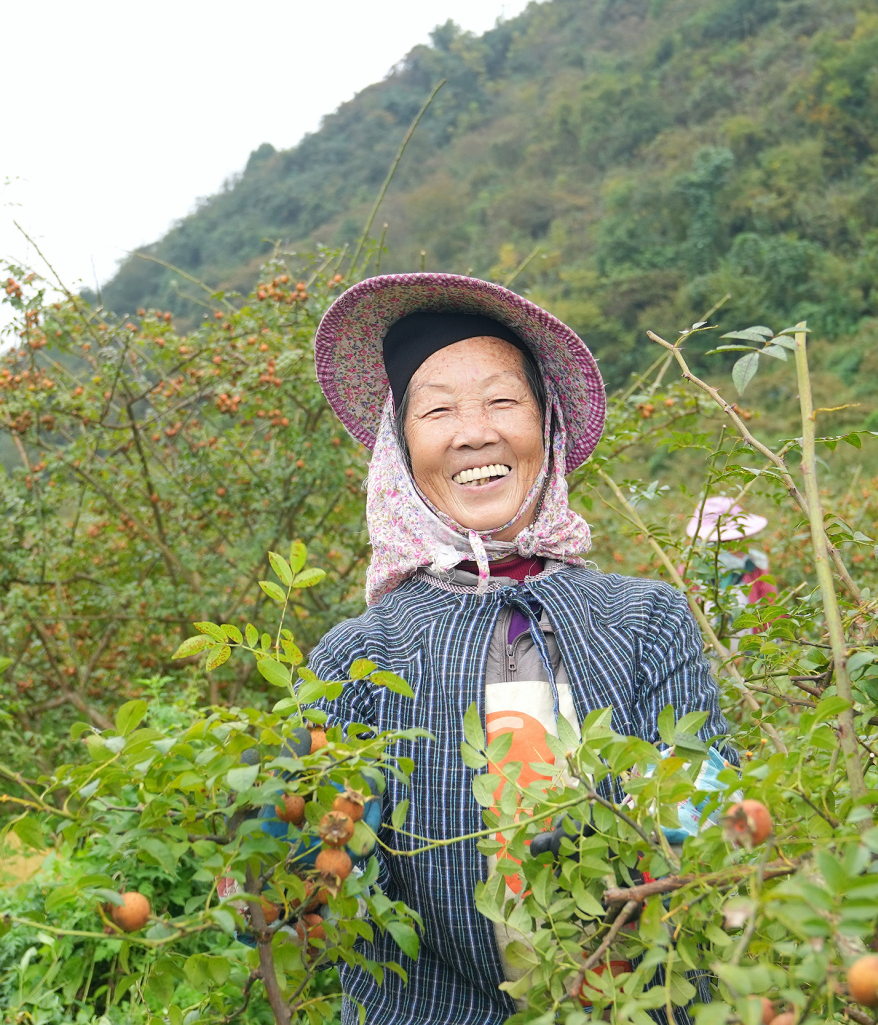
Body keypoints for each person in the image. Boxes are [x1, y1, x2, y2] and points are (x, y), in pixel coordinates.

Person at [307, 273, 736, 1023]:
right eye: (437, 409)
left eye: (503, 401)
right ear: (400, 447)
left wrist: (643, 825)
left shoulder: (646, 618)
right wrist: (284, 844)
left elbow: (710, 808)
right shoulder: (359, 655)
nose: (474, 432)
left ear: (548, 424)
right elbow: (319, 887)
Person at [682, 496, 777, 639]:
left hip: (751, 647)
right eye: (728, 541)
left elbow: (771, 610)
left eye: (740, 539)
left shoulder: (756, 569)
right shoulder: (690, 573)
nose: (737, 545)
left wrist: (772, 640)